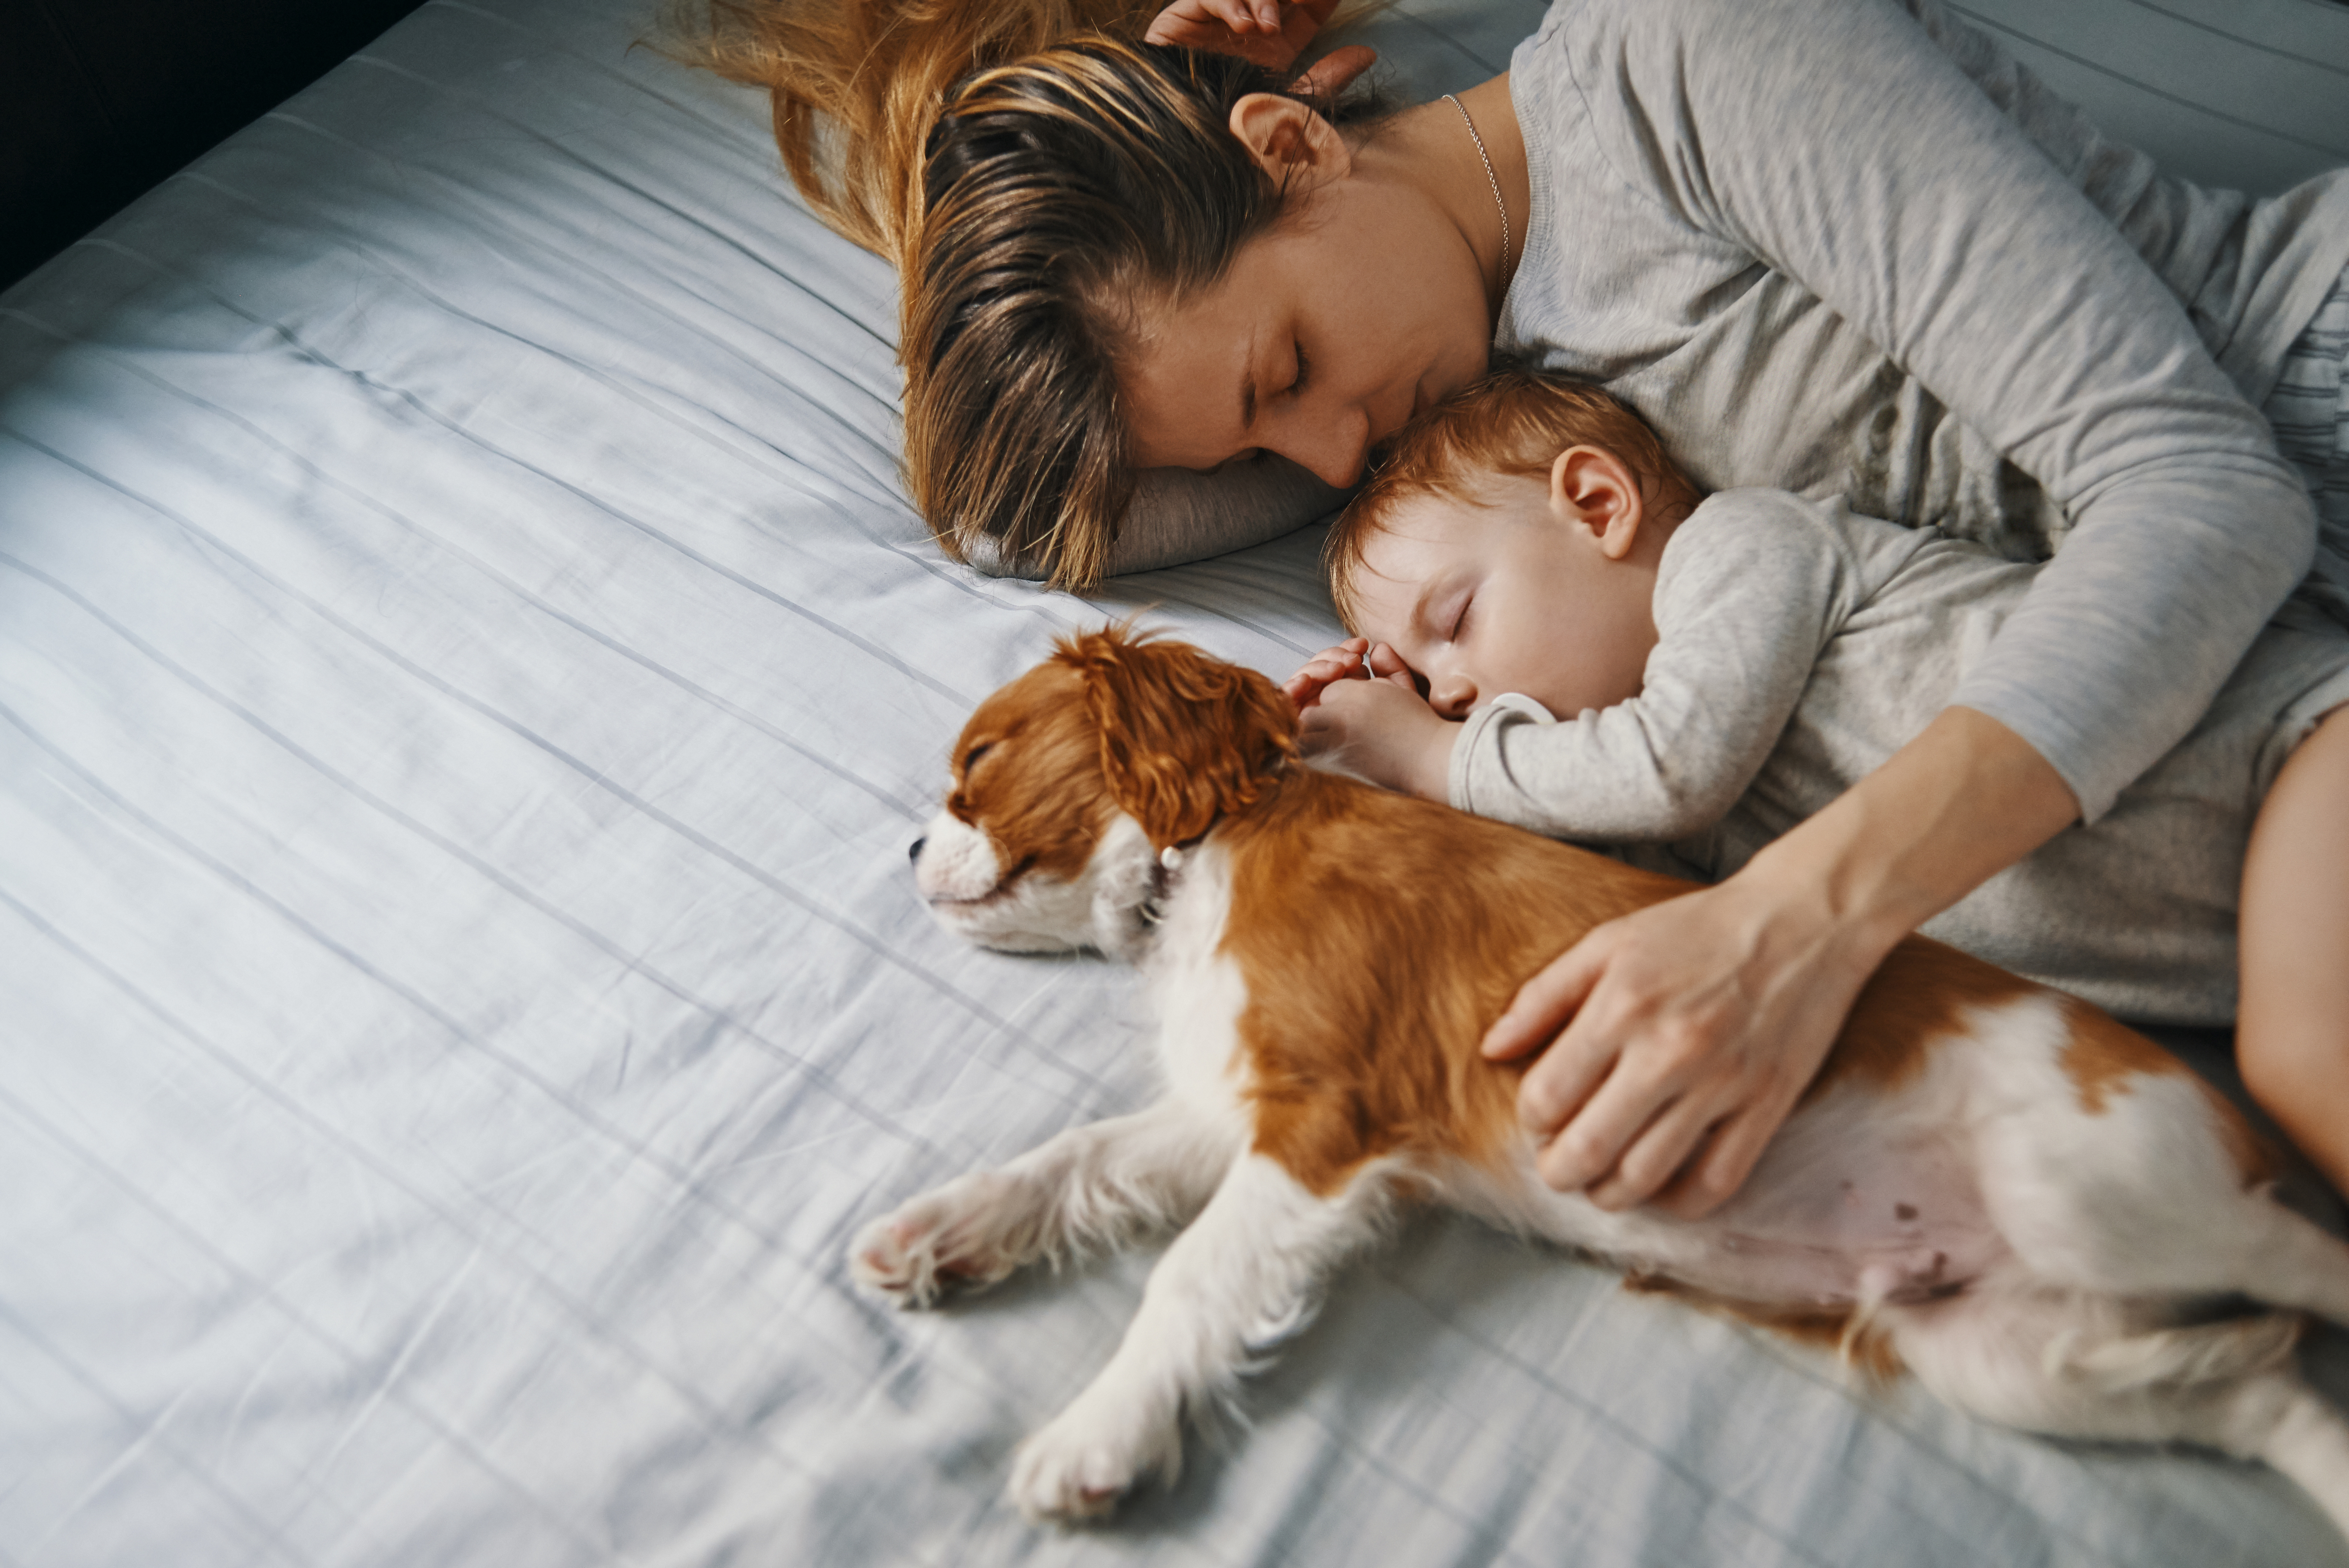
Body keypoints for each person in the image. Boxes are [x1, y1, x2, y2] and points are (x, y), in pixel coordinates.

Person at [670, 0, 2349, 1217]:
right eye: (1263, 436)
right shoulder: (1443, 416)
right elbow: (1010, 520)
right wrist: (1135, 129)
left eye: (1288, 372)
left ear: (1291, 143)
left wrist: (1793, 923)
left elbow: (2199, 487)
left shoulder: (1701, 58)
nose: (1324, 453)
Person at [1281, 365, 2349, 1199]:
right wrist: (1376, 750)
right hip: (2240, 932)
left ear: (1598, 505)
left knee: (2304, 1064)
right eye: (1428, 682)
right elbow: (1572, 831)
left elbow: (1668, 769)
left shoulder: (1744, 548)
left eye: (1455, 626)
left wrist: (1426, 752)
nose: (1458, 694)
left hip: (2302, 745)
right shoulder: (1671, 832)